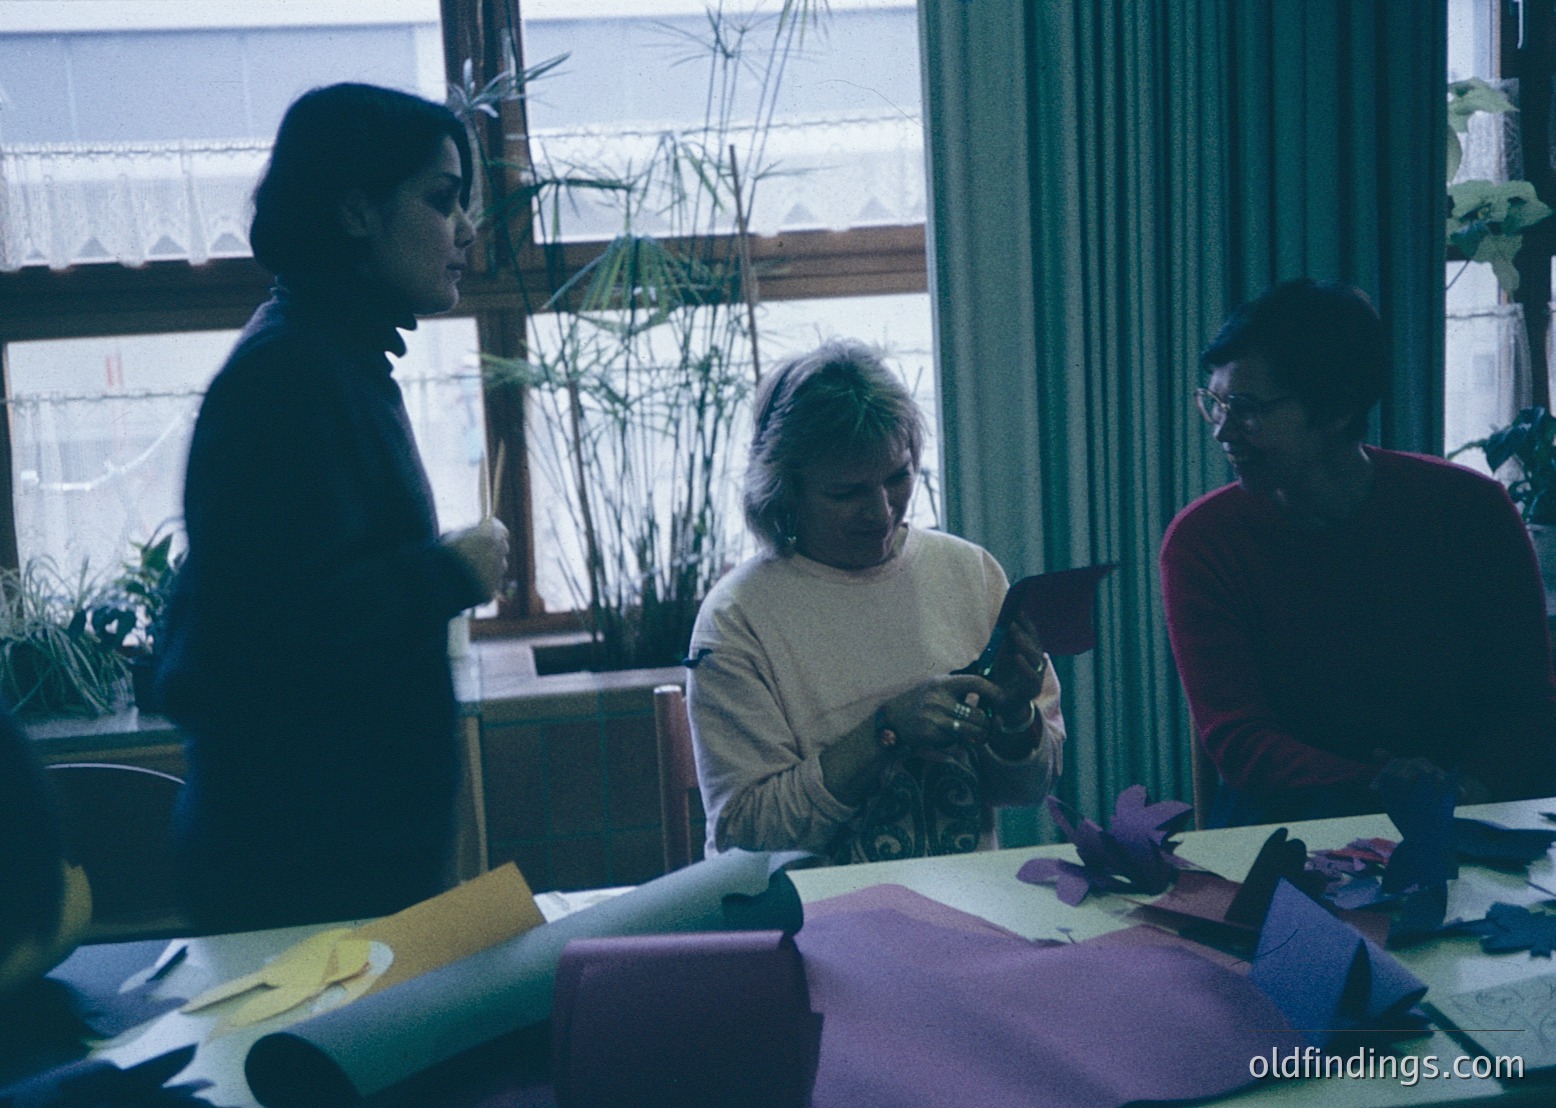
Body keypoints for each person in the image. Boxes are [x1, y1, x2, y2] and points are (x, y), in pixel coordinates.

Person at [158, 84, 509, 930]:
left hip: (342, 871)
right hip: (303, 881)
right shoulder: (288, 377)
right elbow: (267, 634)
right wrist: (447, 574)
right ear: (355, 212)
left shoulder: (329, 359)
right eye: (442, 198)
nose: (466, 229)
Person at [1161, 277, 1556, 826]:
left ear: (1338, 410)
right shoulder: (1204, 541)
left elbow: (1527, 703)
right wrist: (1379, 784)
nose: (1222, 431)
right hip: (1290, 822)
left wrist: (1467, 791)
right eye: (1216, 404)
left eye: (1247, 409)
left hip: (1475, 809)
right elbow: (1239, 741)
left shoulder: (1471, 510)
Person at [687, 340, 1064, 863]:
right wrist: (885, 732)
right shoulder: (738, 619)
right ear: (785, 490)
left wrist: (1015, 718)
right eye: (846, 493)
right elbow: (745, 837)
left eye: (897, 478)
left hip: (964, 899)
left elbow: (1030, 789)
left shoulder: (969, 571)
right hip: (810, 907)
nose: (882, 512)